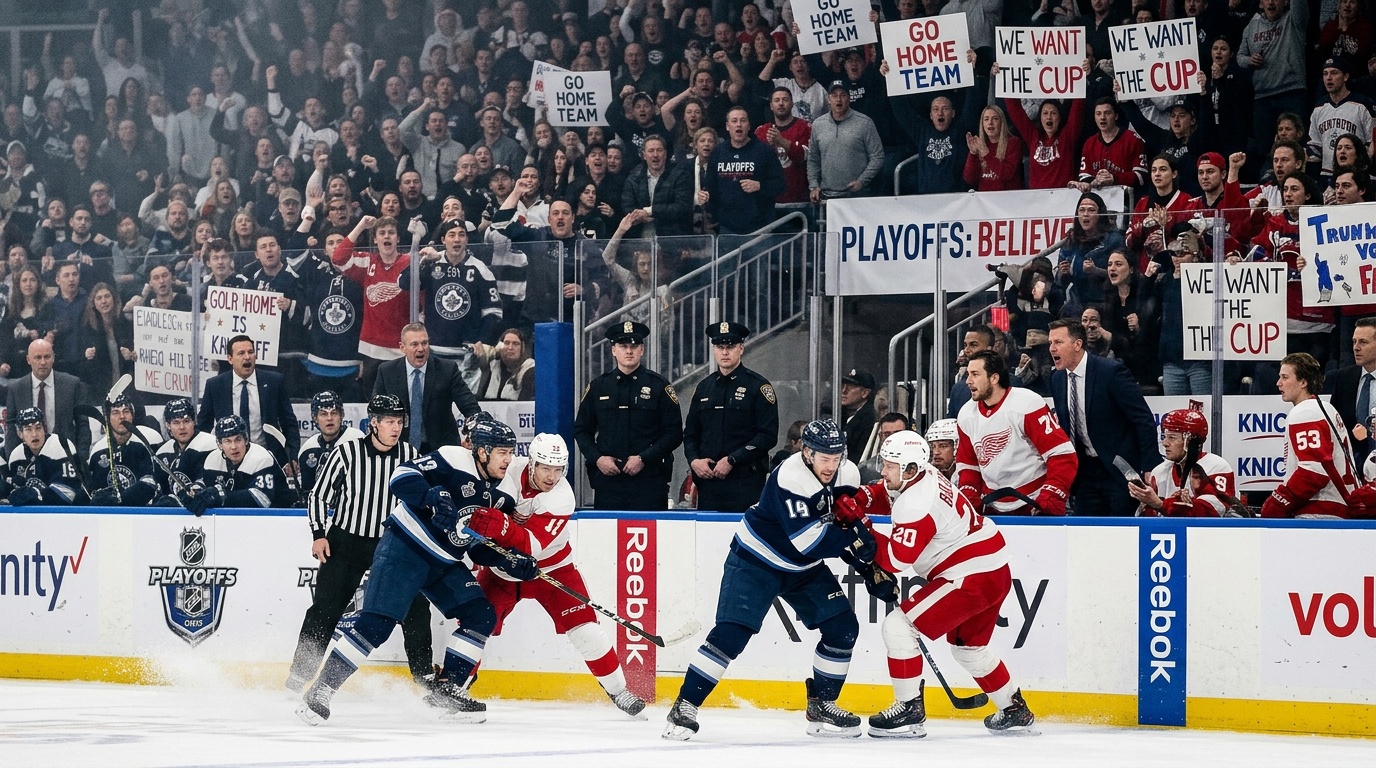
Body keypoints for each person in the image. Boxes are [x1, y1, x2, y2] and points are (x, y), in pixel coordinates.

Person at [296, 418, 540, 725]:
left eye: (510, 452)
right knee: (376, 625)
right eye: (501, 452)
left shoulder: (504, 494)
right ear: (482, 452)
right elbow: (401, 475)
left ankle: (446, 690)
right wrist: (431, 496)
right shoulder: (453, 458)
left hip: (444, 562)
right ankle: (320, 690)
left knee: (481, 615)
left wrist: (509, 560)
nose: (508, 459)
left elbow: (473, 544)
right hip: (405, 549)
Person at [663, 419, 866, 741]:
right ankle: (685, 705)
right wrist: (856, 544)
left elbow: (841, 520)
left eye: (836, 457)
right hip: (756, 561)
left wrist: (869, 566)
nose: (831, 465)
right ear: (807, 452)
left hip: (803, 568)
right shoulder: (790, 476)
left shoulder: (847, 473)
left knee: (843, 630)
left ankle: (823, 704)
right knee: (731, 635)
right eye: (824, 458)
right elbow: (810, 542)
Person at [835, 430, 1035, 737]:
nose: (883, 471)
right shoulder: (922, 473)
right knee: (969, 649)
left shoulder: (916, 503)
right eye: (885, 463)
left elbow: (894, 561)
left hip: (969, 576)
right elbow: (885, 491)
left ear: (910, 469)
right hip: (992, 569)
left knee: (898, 627)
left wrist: (861, 524)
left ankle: (909, 710)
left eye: (890, 465)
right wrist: (861, 498)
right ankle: (1014, 708)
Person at [483, 433, 647, 717]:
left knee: (586, 630)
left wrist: (496, 525)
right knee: (476, 624)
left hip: (553, 569)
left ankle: (619, 691)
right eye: (546, 468)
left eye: (558, 469)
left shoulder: (562, 498)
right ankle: (456, 684)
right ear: (532, 463)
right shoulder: (511, 468)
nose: (552, 476)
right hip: (502, 570)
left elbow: (530, 546)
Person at [285, 394, 435, 693]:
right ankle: (299, 678)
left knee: (417, 610)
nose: (396, 428)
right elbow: (318, 495)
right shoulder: (347, 452)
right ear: (373, 424)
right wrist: (318, 534)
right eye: (390, 422)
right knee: (325, 611)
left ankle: (426, 681)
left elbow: (420, 501)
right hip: (346, 542)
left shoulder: (410, 454)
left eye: (400, 422)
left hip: (392, 545)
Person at [1048, 319, 1161, 516]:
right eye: (1050, 343)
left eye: (1058, 342)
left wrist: (1150, 464)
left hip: (1120, 469)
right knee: (1086, 534)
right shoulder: (1057, 379)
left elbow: (1142, 419)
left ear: (1077, 344)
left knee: (1123, 533)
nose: (1052, 348)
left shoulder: (1110, 371)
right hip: (1085, 473)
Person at [573, 321, 683, 510]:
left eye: (634, 346)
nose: (629, 351)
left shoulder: (659, 386)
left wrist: (644, 458)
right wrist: (598, 459)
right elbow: (582, 429)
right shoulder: (599, 387)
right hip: (608, 482)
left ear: (642, 349)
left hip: (649, 481)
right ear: (613, 350)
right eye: (623, 346)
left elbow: (674, 433)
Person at [955, 350, 1077, 516]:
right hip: (991, 505)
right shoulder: (966, 414)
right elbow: (968, 464)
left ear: (994, 378)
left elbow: (1062, 455)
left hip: (1034, 502)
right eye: (969, 374)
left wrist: (1051, 495)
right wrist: (970, 495)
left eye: (975, 374)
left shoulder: (1027, 404)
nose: (968, 381)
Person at [683, 321, 779, 512]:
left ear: (741, 348)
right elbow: (691, 433)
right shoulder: (704, 387)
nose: (725, 352)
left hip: (744, 481)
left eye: (730, 346)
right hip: (708, 482)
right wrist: (694, 460)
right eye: (720, 347)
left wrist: (732, 460)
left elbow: (768, 435)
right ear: (713, 349)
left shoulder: (758, 387)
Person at [1262, 353, 1363, 518]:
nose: (1278, 383)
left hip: (1320, 512)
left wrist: (1278, 503)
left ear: (1303, 382)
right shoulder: (1325, 408)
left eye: (1285, 377)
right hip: (1337, 509)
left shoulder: (1306, 411)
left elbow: (1314, 471)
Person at [196, 334, 302, 470]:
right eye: (241, 353)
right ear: (230, 359)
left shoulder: (274, 382)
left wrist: (292, 456)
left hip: (268, 459)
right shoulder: (215, 385)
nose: (247, 357)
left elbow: (289, 423)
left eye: (250, 352)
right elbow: (204, 427)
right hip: (229, 461)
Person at [372, 322, 483, 452]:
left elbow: (470, 406)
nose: (421, 349)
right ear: (402, 348)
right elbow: (375, 411)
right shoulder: (386, 371)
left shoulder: (447, 370)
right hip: (399, 448)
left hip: (441, 449)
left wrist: (475, 432)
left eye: (424, 343)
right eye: (414, 344)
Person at [1128, 403, 1239, 517]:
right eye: (1164, 437)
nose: (1165, 443)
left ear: (1190, 440)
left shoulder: (1216, 467)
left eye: (1172, 438)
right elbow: (1151, 520)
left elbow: (1212, 513)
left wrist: (1160, 504)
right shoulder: (1159, 471)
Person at [178, 416, 296, 514]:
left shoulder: (261, 457)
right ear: (220, 444)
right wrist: (195, 491)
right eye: (227, 441)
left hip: (276, 520)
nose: (233, 446)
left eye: (238, 439)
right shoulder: (212, 459)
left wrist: (221, 496)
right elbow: (206, 484)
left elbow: (262, 499)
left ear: (246, 439)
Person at [4, 338, 93, 459]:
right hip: (27, 459)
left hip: (65, 458)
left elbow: (82, 425)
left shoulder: (72, 384)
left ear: (53, 358)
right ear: (28, 360)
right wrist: (12, 460)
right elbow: (11, 429)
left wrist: (81, 460)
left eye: (47, 357)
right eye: (37, 357)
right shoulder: (16, 388)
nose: (43, 362)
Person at [704, 106, 785, 235]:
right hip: (727, 227)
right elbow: (710, 186)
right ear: (727, 126)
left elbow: (780, 185)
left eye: (743, 120)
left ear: (749, 125)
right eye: (734, 121)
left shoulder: (764, 151)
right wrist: (706, 196)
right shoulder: (718, 152)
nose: (738, 124)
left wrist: (760, 185)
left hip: (760, 226)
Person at [807, 83, 884, 202]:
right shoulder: (818, 124)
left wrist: (862, 181)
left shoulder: (865, 123)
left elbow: (877, 156)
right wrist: (813, 186)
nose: (838, 99)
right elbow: (813, 158)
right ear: (828, 99)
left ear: (849, 98)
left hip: (858, 195)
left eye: (843, 95)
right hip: (827, 195)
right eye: (834, 95)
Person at [85, 393, 158, 507]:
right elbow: (95, 489)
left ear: (132, 416)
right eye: (115, 412)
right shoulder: (98, 450)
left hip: (142, 514)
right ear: (108, 418)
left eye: (126, 411)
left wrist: (121, 499)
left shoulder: (148, 441)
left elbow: (150, 484)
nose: (122, 416)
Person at [6, 406, 85, 506]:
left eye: (38, 428)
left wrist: (36, 494)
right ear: (20, 433)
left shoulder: (61, 446)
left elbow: (68, 494)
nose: (34, 434)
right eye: (28, 429)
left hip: (68, 515)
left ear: (45, 429)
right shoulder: (16, 457)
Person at [296, 391, 366, 502]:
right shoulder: (308, 449)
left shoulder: (357, 441)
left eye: (334, 413)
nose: (329, 418)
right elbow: (307, 492)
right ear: (315, 418)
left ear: (342, 415)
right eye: (323, 414)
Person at [1333, 318, 1376, 469]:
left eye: (1363, 342)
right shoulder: (1344, 377)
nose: (1356, 348)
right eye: (1354, 342)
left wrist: (1370, 438)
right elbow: (1336, 423)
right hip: (1352, 466)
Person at [153, 397, 215, 500]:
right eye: (176, 423)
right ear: (168, 425)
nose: (182, 427)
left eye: (186, 421)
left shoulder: (210, 445)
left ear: (194, 422)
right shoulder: (163, 452)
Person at [477, 327, 535, 401]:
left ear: (522, 348)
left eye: (515, 344)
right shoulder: (492, 367)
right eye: (506, 343)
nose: (510, 348)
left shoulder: (530, 369)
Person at [858, 413, 911, 483]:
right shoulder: (866, 469)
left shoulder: (921, 466)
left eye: (898, 433)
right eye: (887, 434)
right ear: (880, 436)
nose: (892, 439)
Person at [839, 368, 876, 464]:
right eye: (843, 385)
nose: (843, 391)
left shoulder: (870, 420)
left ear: (865, 393)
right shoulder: (839, 413)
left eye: (850, 387)